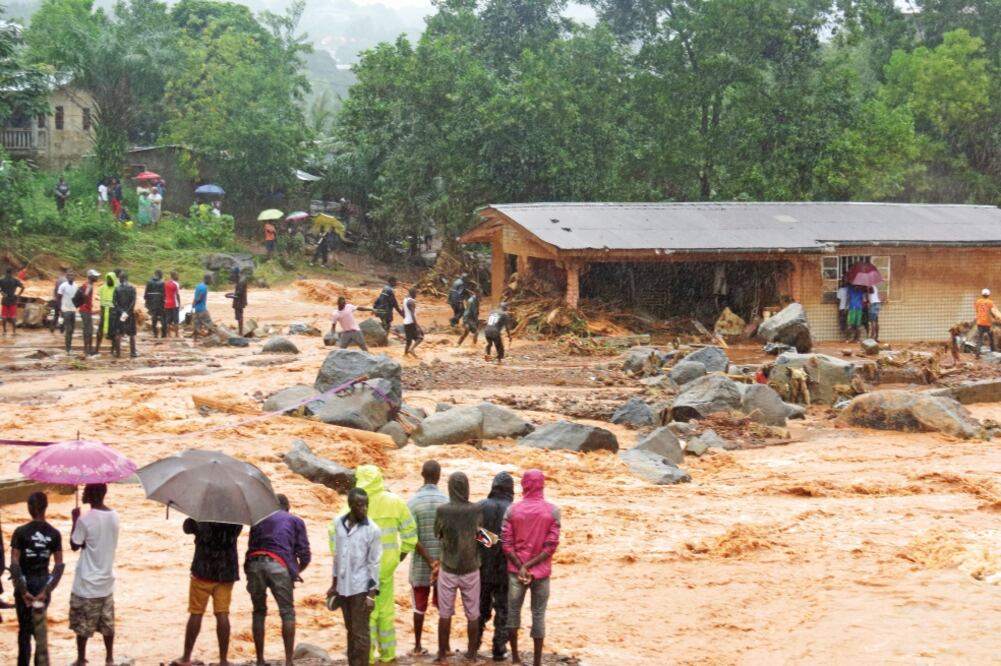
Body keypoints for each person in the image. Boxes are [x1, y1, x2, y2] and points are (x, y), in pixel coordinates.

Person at [329, 465, 417, 664]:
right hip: (386, 567)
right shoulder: (394, 502)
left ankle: (367, 656)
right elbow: (410, 534)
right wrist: (398, 557)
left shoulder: (353, 505)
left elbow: (334, 533)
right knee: (386, 610)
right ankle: (388, 653)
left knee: (365, 614)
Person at [502, 470, 560, 666]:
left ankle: (515, 658)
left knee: (513, 612)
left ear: (524, 484)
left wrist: (521, 566)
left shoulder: (512, 510)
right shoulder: (553, 511)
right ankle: (536, 662)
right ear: (542, 484)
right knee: (538, 614)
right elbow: (551, 546)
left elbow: (506, 543)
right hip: (541, 572)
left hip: (516, 571)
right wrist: (530, 565)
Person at [245, 494, 311, 666]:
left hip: (254, 563)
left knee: (258, 611)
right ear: (287, 507)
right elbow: (305, 554)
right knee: (287, 612)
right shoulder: (295, 521)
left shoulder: (258, 519)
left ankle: (260, 661)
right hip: (279, 565)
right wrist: (295, 571)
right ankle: (289, 661)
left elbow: (251, 545)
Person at [174, 518, 243, 666]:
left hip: (203, 569)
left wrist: (194, 517)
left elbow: (187, 528)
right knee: (222, 613)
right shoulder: (236, 517)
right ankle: (223, 660)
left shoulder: (202, 516)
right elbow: (235, 534)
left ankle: (186, 658)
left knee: (196, 613)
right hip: (226, 570)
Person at [329, 488, 382, 666]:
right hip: (343, 587)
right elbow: (337, 556)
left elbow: (374, 563)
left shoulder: (372, 530)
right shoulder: (338, 524)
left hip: (361, 588)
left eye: (366, 505)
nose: (364, 509)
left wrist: (371, 595)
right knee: (350, 630)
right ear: (350, 505)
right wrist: (333, 584)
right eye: (360, 505)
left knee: (361, 633)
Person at [434, 471, 483, 664]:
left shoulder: (442, 510)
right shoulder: (477, 509)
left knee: (445, 613)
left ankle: (441, 655)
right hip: (471, 568)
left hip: (448, 568)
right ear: (467, 488)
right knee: (473, 613)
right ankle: (472, 655)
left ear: (450, 488)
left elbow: (437, 533)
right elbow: (483, 537)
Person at [11, 492, 65, 666]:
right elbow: (59, 566)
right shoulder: (54, 534)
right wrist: (46, 591)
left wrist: (23, 590)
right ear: (46, 507)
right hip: (43, 583)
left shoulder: (20, 532)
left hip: (24, 582)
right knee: (39, 632)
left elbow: (14, 564)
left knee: (24, 632)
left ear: (29, 508)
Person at [70, 483, 120, 666]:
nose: (83, 493)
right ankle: (109, 658)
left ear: (92, 494)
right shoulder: (114, 516)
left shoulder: (85, 520)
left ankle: (81, 658)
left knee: (82, 625)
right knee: (107, 624)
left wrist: (74, 520)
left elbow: (75, 544)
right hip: (106, 580)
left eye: (86, 491)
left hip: (86, 581)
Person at [407, 460, 448, 656]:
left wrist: (429, 560)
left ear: (422, 475)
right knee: (444, 607)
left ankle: (417, 645)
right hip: (443, 564)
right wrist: (437, 561)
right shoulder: (447, 501)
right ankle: (445, 647)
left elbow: (411, 537)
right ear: (439, 476)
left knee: (419, 606)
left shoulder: (413, 503)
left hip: (421, 565)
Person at [477, 472, 514, 661]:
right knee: (503, 609)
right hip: (506, 568)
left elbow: (473, 533)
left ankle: (474, 645)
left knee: (479, 608)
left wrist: (490, 542)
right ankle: (499, 649)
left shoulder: (480, 506)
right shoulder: (514, 509)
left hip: (482, 567)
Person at [113, 272, 138, 358]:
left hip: (120, 314)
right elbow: (133, 302)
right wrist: (127, 312)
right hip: (129, 314)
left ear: (121, 278)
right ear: (127, 278)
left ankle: (118, 353)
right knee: (132, 333)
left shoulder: (117, 289)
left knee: (118, 333)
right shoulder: (132, 288)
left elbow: (114, 302)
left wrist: (121, 311)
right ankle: (133, 352)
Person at [95, 271, 119, 355]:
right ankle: (96, 349)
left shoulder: (117, 289)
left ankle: (113, 350)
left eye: (110, 279)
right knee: (99, 332)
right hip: (104, 313)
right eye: (107, 279)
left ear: (114, 280)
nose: (109, 281)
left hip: (113, 314)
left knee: (113, 333)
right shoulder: (102, 288)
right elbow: (97, 295)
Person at [78, 270, 99, 356]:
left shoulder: (87, 284)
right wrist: (87, 304)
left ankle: (88, 349)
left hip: (85, 310)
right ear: (91, 277)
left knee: (88, 329)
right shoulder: (89, 285)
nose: (97, 278)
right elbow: (86, 295)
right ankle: (87, 350)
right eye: (95, 276)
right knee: (88, 330)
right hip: (85, 310)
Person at [57, 270, 79, 353]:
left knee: (72, 330)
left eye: (73, 275)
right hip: (65, 310)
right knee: (68, 329)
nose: (71, 277)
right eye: (69, 275)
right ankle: (68, 348)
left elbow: (77, 297)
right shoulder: (63, 286)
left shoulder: (76, 286)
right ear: (66, 277)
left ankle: (69, 346)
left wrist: (77, 306)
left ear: (75, 277)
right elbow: (58, 297)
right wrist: (60, 309)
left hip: (73, 310)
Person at [1, 266, 25, 336]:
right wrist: (18, 295)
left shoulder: (2, 280)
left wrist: (2, 293)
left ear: (6, 272)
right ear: (12, 272)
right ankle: (14, 332)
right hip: (12, 299)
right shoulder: (15, 280)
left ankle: (4, 331)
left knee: (4, 316)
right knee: (13, 316)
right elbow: (23, 287)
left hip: (5, 299)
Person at [974, 288, 996, 359]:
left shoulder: (978, 302)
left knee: (979, 339)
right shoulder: (990, 302)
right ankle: (993, 352)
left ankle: (977, 355)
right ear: (989, 295)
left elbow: (977, 310)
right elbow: (993, 312)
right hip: (988, 323)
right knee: (991, 338)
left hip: (980, 322)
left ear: (982, 294)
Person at [145, 270, 167, 339]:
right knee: (163, 318)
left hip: (152, 304)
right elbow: (164, 294)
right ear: (160, 275)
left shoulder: (149, 282)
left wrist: (148, 303)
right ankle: (163, 334)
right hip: (160, 303)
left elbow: (145, 295)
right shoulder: (162, 283)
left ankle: (155, 334)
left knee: (154, 318)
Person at [192, 273, 212, 345]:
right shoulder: (204, 287)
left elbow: (195, 297)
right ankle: (210, 339)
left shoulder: (198, 286)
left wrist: (193, 304)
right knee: (209, 323)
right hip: (202, 309)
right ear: (207, 279)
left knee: (196, 324)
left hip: (197, 309)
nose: (210, 281)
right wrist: (196, 301)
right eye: (210, 280)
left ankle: (195, 340)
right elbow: (199, 298)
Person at [403, 287, 423, 358]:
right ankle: (412, 349)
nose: (416, 295)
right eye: (416, 294)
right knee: (420, 337)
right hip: (411, 323)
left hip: (406, 323)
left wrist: (404, 318)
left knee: (408, 342)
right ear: (413, 293)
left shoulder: (405, 299)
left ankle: (405, 355)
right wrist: (417, 326)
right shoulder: (412, 302)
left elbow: (403, 311)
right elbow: (412, 315)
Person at [230, 268, 248, 337]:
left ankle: (240, 332)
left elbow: (238, 293)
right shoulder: (241, 280)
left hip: (239, 302)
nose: (233, 276)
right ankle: (240, 331)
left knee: (239, 316)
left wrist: (230, 295)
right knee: (240, 316)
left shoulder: (241, 281)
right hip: (240, 301)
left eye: (233, 274)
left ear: (236, 274)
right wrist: (231, 294)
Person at [51, 267, 68, 333]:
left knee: (56, 314)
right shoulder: (66, 281)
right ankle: (62, 328)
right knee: (63, 315)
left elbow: (55, 289)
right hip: (63, 300)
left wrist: (54, 297)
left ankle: (52, 327)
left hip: (56, 299)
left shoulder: (58, 279)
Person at [165, 271, 181, 338]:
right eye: (177, 275)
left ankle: (168, 334)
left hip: (167, 304)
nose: (178, 277)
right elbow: (177, 295)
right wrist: (179, 304)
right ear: (175, 276)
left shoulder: (166, 283)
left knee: (168, 320)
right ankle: (176, 334)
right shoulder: (176, 284)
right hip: (174, 304)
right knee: (176, 320)